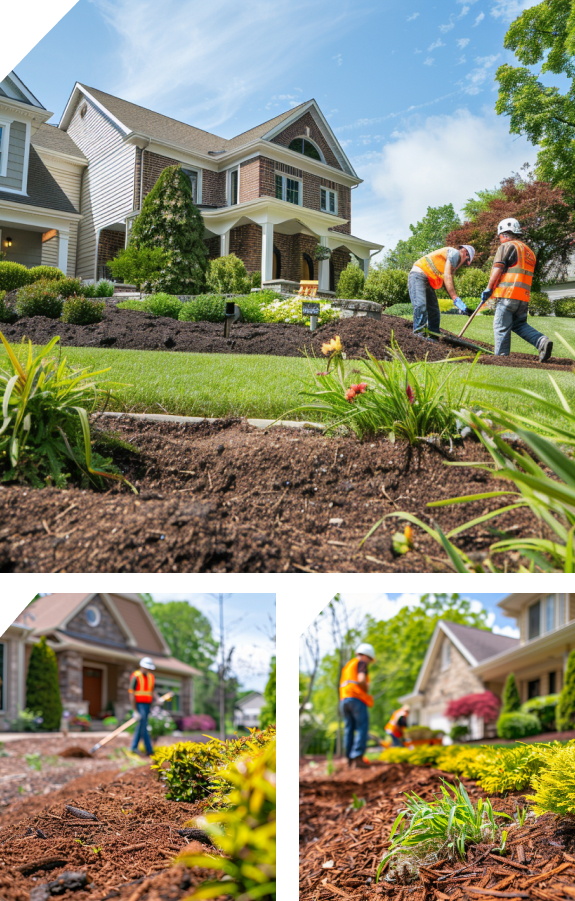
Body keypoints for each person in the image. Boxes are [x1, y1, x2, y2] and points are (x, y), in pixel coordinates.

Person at [481, 218, 552, 361]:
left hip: (508, 294)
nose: (500, 239)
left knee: (500, 326)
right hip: (523, 297)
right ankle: (541, 341)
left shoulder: (506, 246)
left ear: (504, 234)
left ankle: (501, 360)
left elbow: (498, 268)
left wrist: (489, 288)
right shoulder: (529, 252)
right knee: (518, 324)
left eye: (499, 236)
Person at [408, 245, 476, 339]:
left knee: (434, 310)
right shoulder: (455, 254)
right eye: (465, 263)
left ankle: (434, 336)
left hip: (428, 279)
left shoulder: (451, 261)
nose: (463, 265)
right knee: (420, 305)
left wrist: (461, 306)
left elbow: (448, 282)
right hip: (418, 274)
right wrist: (455, 298)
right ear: (465, 253)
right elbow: (447, 277)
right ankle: (419, 335)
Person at [339, 643, 375, 768]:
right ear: (366, 656)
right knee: (361, 727)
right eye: (370, 659)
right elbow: (361, 680)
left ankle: (349, 759)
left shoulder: (348, 666)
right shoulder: (361, 663)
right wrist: (365, 690)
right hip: (357, 699)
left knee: (349, 729)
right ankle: (358, 758)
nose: (369, 662)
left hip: (344, 699)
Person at [128, 656, 157, 757]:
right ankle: (149, 750)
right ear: (141, 666)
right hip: (139, 705)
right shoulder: (136, 676)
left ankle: (133, 747)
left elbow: (152, 690)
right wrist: (135, 710)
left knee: (141, 725)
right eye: (146, 667)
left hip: (147, 704)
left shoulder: (151, 677)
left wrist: (157, 699)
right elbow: (131, 693)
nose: (147, 670)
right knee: (143, 726)